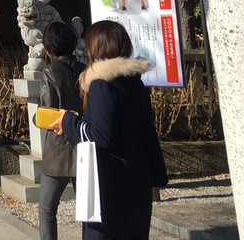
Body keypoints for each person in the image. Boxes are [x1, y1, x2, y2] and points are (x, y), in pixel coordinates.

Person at [53, 20, 167, 240]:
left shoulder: (101, 84)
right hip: (137, 176)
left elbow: (101, 135)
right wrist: (157, 178)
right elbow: (147, 132)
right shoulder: (134, 83)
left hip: (109, 182)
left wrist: (69, 121)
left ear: (95, 48)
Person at [37, 21, 86, 240]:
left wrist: (35, 117)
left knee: (47, 208)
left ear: (49, 47)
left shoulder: (50, 72)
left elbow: (46, 112)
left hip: (59, 148)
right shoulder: (85, 69)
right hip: (85, 143)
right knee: (88, 209)